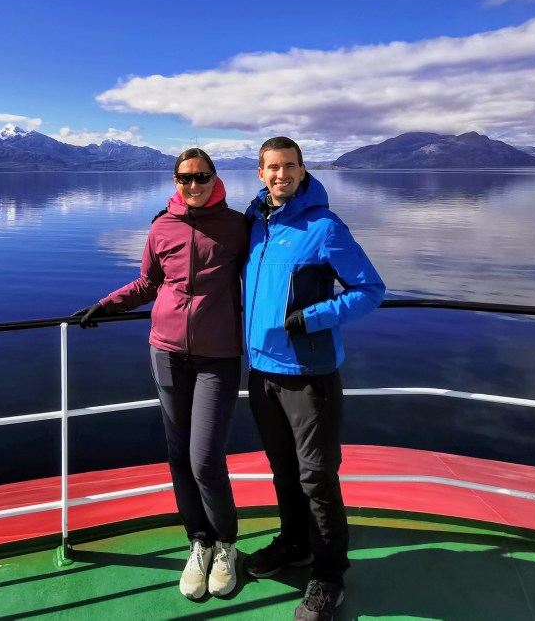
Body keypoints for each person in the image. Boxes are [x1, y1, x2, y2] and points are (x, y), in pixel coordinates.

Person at [73, 148, 249, 601]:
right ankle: (199, 542)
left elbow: (264, 277)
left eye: (201, 177)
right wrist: (108, 304)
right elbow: (149, 282)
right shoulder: (161, 227)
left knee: (205, 458)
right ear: (175, 181)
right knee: (178, 455)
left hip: (219, 358)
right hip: (166, 353)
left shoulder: (238, 226)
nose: (193, 185)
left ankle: (226, 543)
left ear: (215, 178)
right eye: (184, 178)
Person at [242, 137, 385, 621]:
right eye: (272, 168)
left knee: (317, 478)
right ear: (260, 174)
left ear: (303, 171)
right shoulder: (255, 225)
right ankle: (294, 543)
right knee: (282, 470)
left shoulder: (324, 227)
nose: (280, 175)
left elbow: (370, 290)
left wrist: (314, 316)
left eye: (289, 167)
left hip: (308, 374)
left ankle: (328, 574)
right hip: (261, 370)